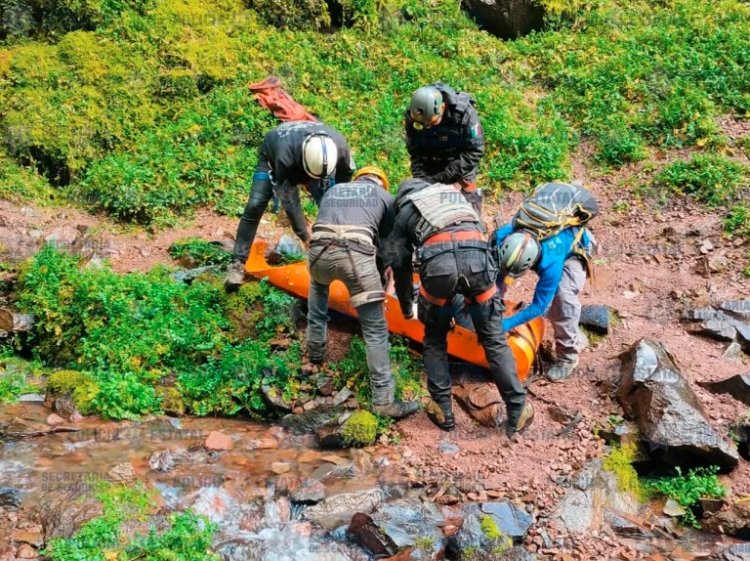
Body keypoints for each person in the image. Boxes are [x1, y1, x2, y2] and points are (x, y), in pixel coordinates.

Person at [388, 178, 533, 436]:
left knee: (434, 338)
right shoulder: (452, 195)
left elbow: (398, 263)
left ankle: (442, 408)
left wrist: (407, 307)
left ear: (404, 196)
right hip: (478, 261)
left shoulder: (405, 210)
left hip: (438, 268)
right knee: (494, 340)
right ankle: (517, 407)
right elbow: (479, 232)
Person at [306, 167, 419, 419]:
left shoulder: (334, 190)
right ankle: (383, 401)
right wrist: (397, 295)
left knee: (318, 289)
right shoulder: (385, 198)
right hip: (355, 256)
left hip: (317, 252)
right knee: (375, 330)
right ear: (381, 183)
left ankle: (314, 356)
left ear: (358, 179)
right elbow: (390, 249)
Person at [226, 120, 355, 289]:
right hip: (274, 151)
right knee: (255, 205)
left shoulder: (340, 147)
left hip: (318, 167)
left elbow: (344, 186)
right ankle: (237, 263)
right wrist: (305, 237)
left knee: (329, 201)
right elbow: (290, 201)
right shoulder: (283, 157)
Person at [495, 182, 599, 382]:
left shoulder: (551, 261)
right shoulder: (504, 235)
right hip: (536, 244)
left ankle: (568, 357)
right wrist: (492, 300)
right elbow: (495, 271)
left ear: (533, 262)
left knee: (562, 299)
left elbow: (538, 306)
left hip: (574, 251)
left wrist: (505, 324)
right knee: (495, 273)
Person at [405, 83, 485, 216]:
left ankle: (476, 223)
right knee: (420, 201)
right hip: (429, 161)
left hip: (459, 162)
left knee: (469, 194)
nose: (427, 127)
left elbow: (474, 151)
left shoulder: (465, 114)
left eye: (431, 123)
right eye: (423, 125)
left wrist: (443, 179)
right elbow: (414, 150)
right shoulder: (414, 116)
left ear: (442, 107)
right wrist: (421, 179)